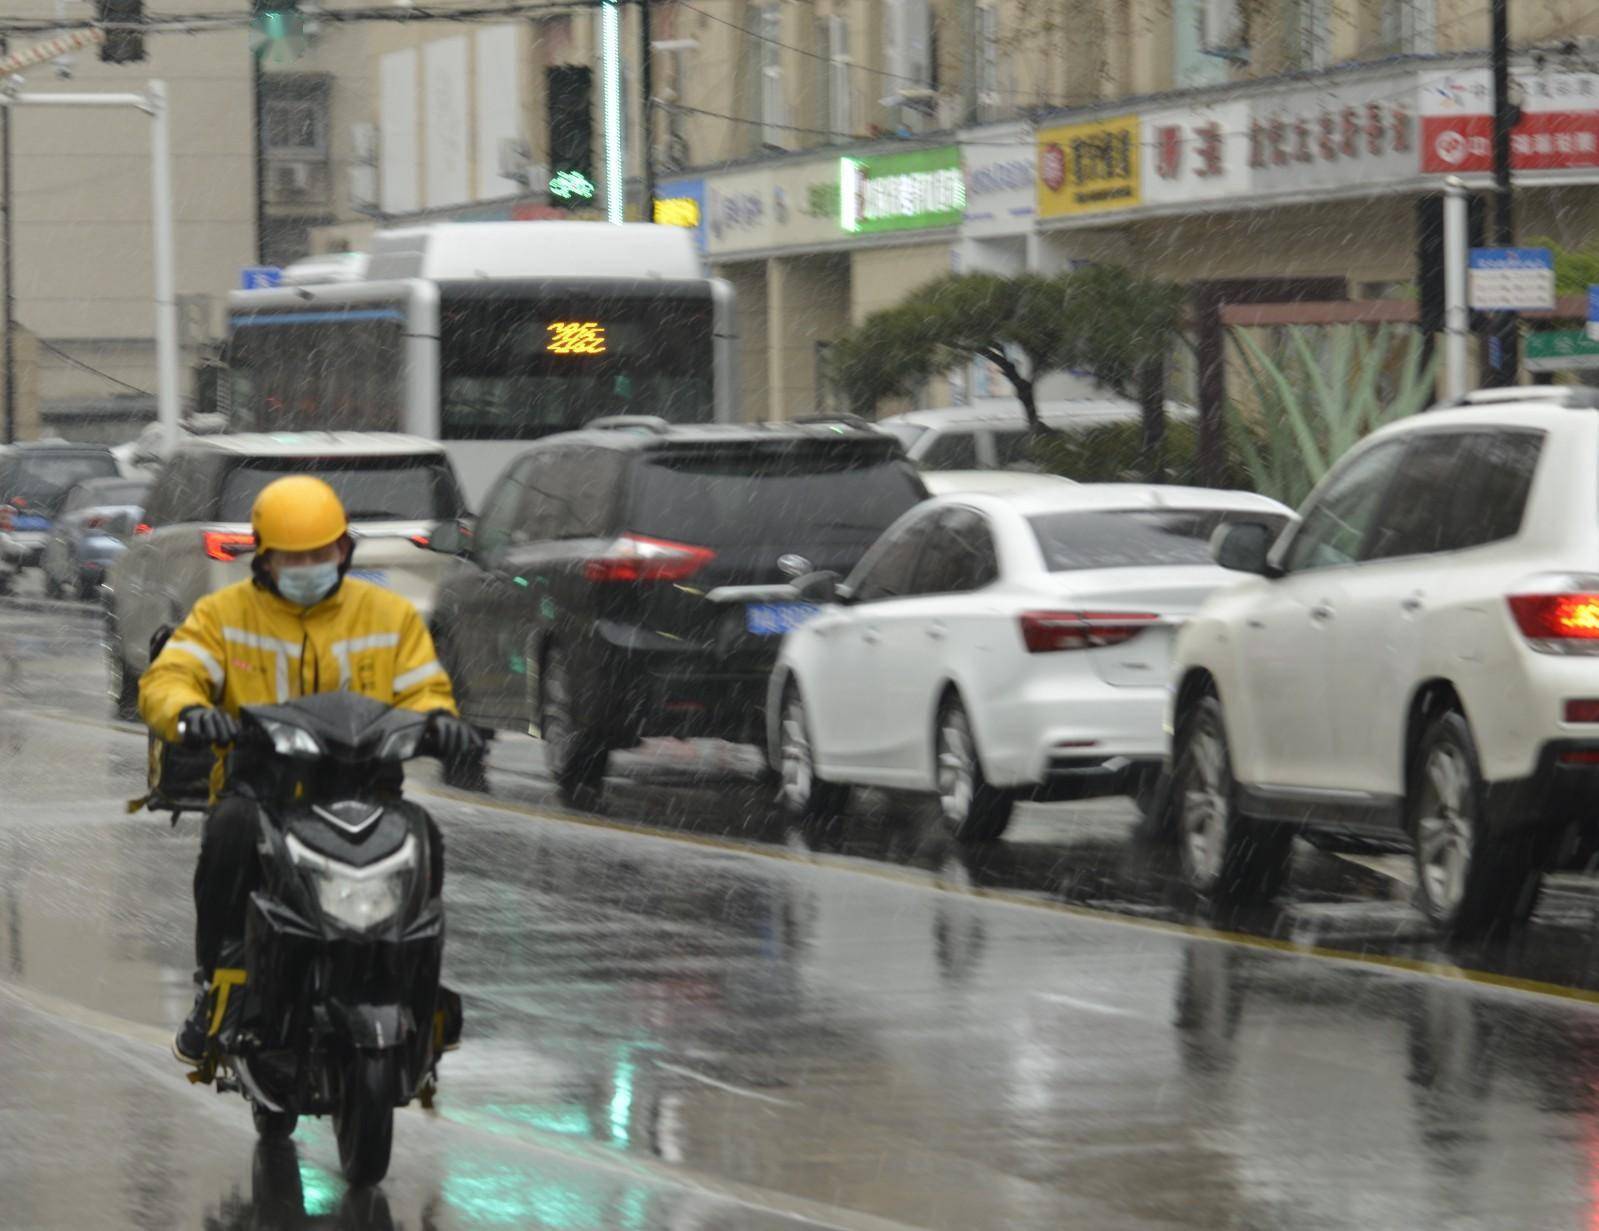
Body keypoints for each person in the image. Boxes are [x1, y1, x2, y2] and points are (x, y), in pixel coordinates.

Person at [138, 474, 480, 1065]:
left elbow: (423, 684)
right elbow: (170, 676)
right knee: (228, 836)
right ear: (264, 559)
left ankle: (415, 983)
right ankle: (216, 984)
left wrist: (439, 721)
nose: (308, 566)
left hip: (366, 788)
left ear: (344, 550)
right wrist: (190, 713)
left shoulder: (388, 616)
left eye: (321, 554)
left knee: (425, 838)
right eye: (293, 557)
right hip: (262, 790)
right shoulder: (223, 615)